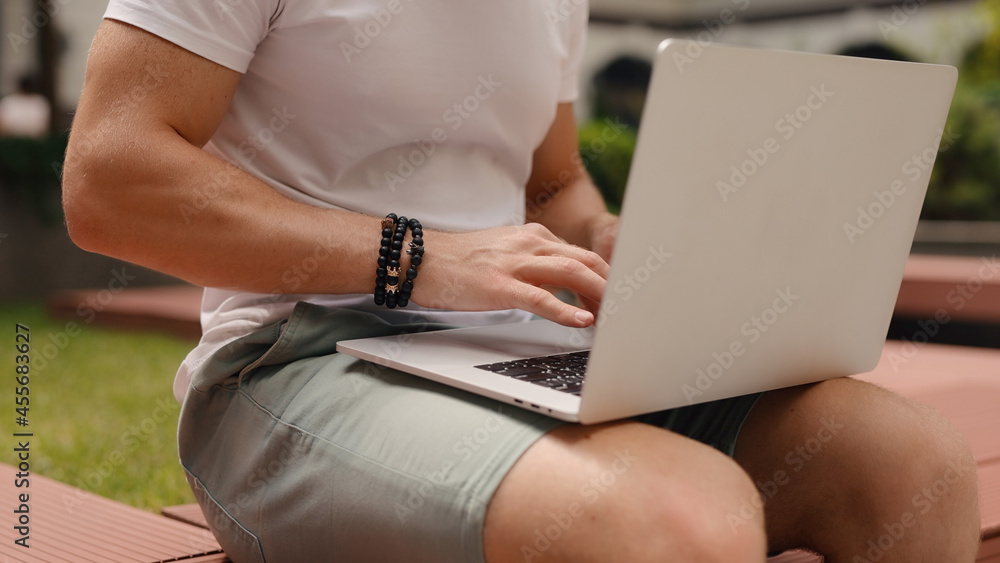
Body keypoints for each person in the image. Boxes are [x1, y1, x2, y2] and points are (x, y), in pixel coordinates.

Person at [63, 1, 980, 561]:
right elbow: (110, 178)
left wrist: (619, 241)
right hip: (295, 359)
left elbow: (551, 182)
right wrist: (419, 259)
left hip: (522, 344)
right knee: (679, 524)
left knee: (914, 468)